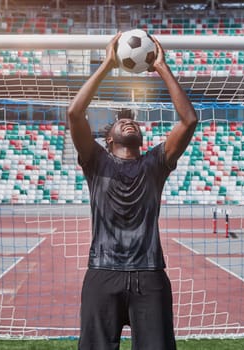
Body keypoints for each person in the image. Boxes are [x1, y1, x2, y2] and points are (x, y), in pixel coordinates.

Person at [67, 31, 198, 350]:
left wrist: (162, 67)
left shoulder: (157, 162)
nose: (128, 122)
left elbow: (189, 120)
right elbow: (74, 114)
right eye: (119, 122)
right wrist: (107, 65)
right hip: (103, 271)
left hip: (149, 273)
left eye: (133, 123)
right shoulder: (95, 161)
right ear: (107, 139)